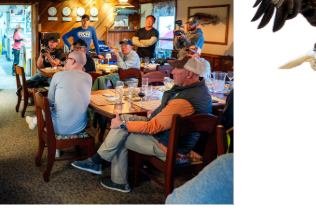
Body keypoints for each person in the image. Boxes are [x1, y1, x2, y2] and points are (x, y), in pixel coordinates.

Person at [73, 57, 212, 193]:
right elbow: (166, 115)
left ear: (189, 74)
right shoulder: (200, 90)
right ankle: (97, 161)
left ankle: (117, 180)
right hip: (170, 136)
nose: (172, 72)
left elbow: (152, 127)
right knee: (122, 118)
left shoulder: (184, 101)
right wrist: (127, 121)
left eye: (177, 69)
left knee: (119, 136)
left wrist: (123, 125)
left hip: (169, 147)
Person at [46, 50, 93, 138]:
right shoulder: (89, 77)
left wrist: (65, 72)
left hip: (57, 128)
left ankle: (35, 120)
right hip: (80, 127)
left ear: (73, 61)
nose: (66, 61)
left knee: (44, 107)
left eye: (67, 59)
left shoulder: (58, 75)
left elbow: (50, 101)